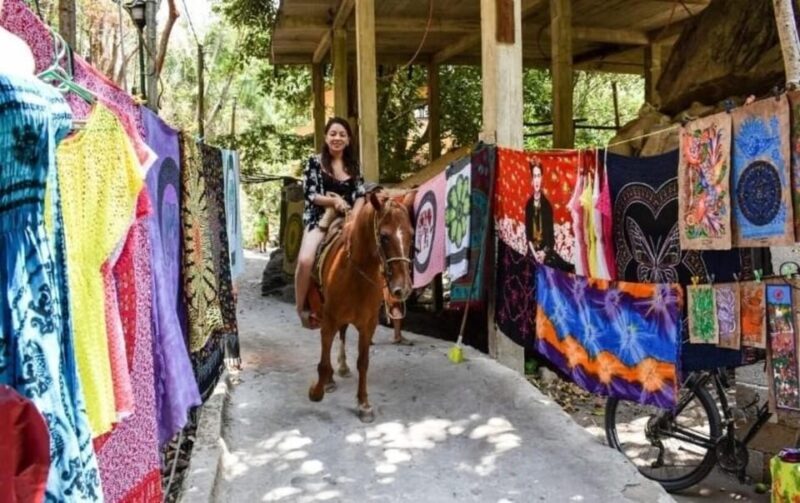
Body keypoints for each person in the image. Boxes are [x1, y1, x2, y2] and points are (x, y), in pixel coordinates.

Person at [295, 117, 366, 328]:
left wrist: (355, 215)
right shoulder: (314, 162)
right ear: (326, 137)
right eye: (333, 134)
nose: (337, 138)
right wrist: (334, 201)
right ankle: (301, 308)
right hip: (319, 218)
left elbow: (361, 194)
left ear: (348, 140)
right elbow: (311, 194)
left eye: (342, 135)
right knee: (305, 260)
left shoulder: (353, 166)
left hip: (349, 219)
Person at [525, 159, 574, 272]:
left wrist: (542, 254)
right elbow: (528, 236)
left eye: (538, 176)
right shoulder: (528, 205)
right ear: (531, 179)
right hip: (532, 252)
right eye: (534, 176)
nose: (536, 180)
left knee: (563, 268)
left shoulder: (547, 205)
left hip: (546, 253)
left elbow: (550, 240)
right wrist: (535, 255)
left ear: (542, 178)